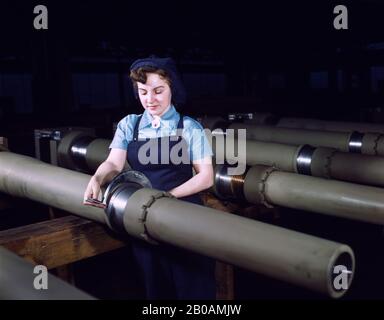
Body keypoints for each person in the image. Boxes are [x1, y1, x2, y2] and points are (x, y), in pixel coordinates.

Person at [83, 56, 216, 299]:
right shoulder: (129, 125)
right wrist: (97, 178)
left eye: (158, 91)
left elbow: (206, 177)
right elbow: (114, 162)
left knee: (194, 289)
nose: (150, 99)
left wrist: (167, 197)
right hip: (142, 218)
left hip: (185, 215)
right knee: (156, 289)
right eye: (143, 92)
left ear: (172, 89)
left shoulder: (189, 127)